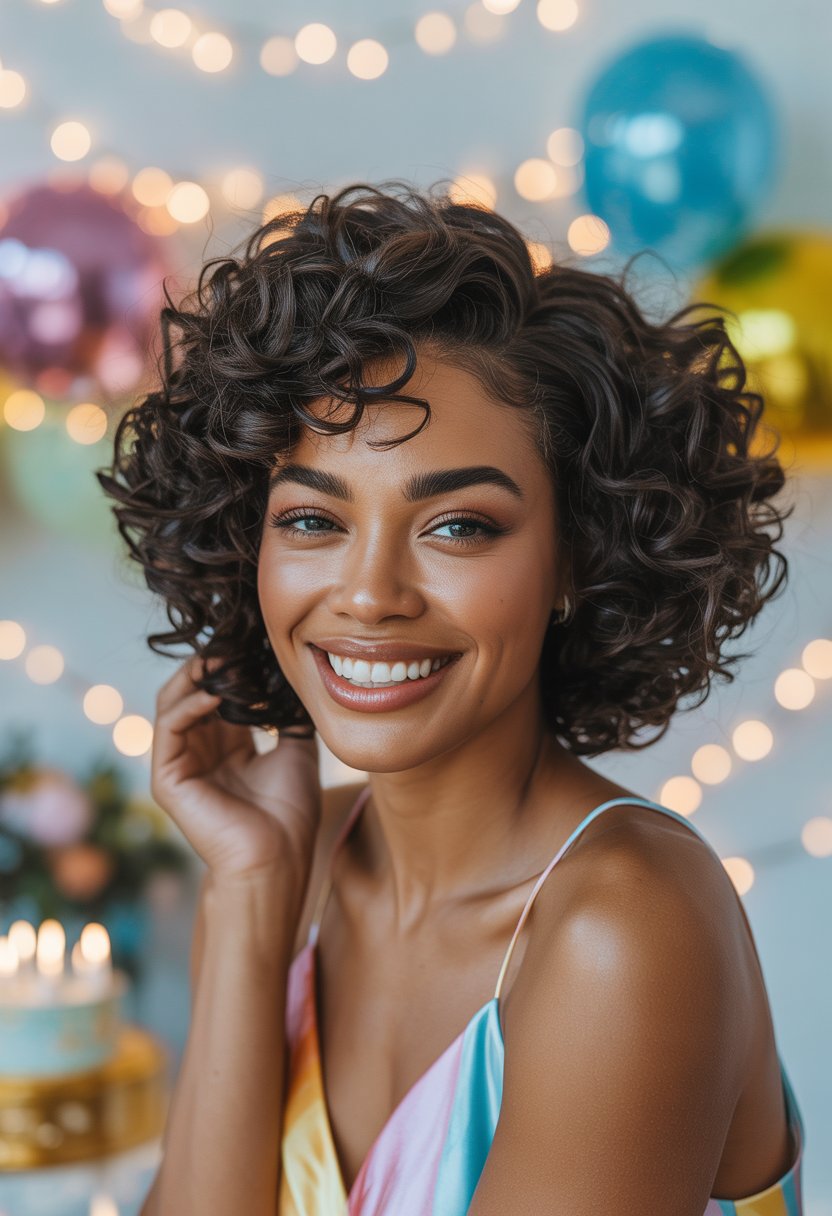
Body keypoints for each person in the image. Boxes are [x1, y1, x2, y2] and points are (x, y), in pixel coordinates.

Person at [100, 180, 805, 1215]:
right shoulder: (287, 870)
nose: (370, 595)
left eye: (457, 526)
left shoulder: (624, 926)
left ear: (577, 556)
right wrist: (250, 900)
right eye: (311, 521)